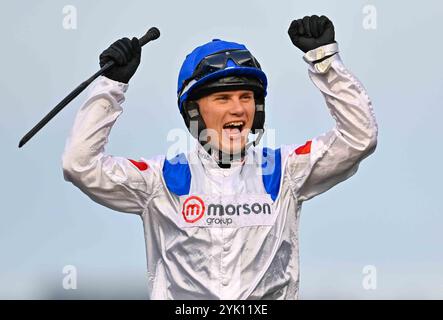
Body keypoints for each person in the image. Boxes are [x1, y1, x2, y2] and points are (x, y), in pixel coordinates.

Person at [62, 15, 378, 299]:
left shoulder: (286, 171)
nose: (238, 109)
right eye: (223, 98)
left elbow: (358, 138)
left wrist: (325, 62)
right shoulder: (160, 181)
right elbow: (80, 165)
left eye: (246, 97)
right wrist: (111, 86)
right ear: (193, 110)